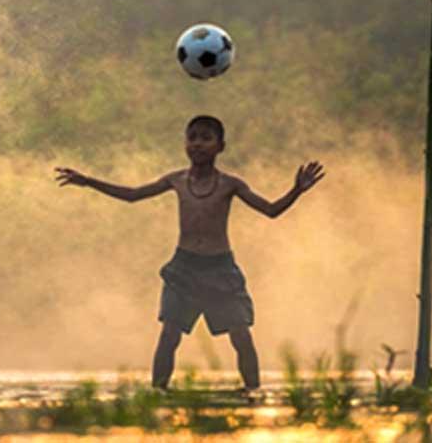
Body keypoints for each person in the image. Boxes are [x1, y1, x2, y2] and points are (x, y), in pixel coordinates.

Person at [54, 115, 324, 391]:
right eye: (192, 137)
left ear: (221, 146)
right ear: (185, 144)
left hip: (220, 269)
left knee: (241, 335)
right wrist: (87, 181)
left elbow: (270, 210)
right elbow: (133, 195)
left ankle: (252, 393)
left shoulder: (231, 184)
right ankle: (157, 393)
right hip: (184, 269)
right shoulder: (176, 180)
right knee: (169, 334)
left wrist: (297, 190)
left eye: (206, 138)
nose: (198, 144)